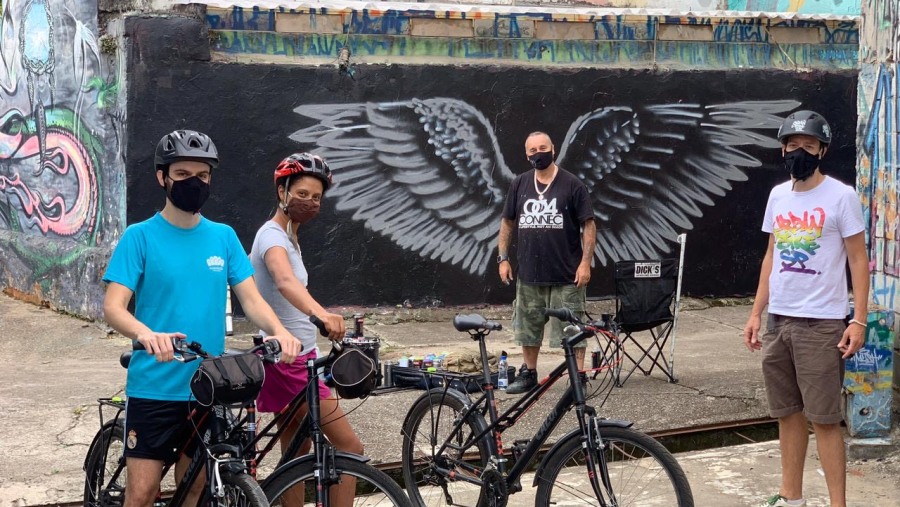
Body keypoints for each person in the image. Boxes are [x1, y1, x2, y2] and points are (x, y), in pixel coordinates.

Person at [102, 129, 303, 507]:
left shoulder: (223, 238)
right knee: (143, 493)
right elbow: (114, 306)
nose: (194, 182)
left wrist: (279, 331)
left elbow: (252, 300)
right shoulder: (139, 237)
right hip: (155, 387)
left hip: (208, 387)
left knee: (194, 488)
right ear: (162, 177)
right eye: (182, 174)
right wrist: (148, 335)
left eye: (203, 175)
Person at [742, 110, 869, 507]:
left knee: (825, 419)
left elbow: (858, 260)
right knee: (787, 414)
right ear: (783, 149)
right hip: (780, 320)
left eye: (808, 146)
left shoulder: (841, 196)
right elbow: (771, 256)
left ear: (822, 151)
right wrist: (755, 312)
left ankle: (837, 504)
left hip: (822, 324)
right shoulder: (778, 195)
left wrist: (858, 319)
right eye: (793, 145)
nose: (799, 152)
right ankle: (790, 497)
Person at [249, 152, 362, 505]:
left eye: (316, 197)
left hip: (295, 355)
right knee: (350, 448)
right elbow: (284, 281)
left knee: (296, 450)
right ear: (282, 191)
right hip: (291, 361)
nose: (310, 203)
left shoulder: (289, 236)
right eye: (302, 194)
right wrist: (322, 315)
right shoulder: (272, 237)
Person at [498, 131, 596, 394]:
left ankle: (578, 380)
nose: (537, 154)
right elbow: (507, 221)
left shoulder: (572, 184)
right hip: (529, 274)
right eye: (532, 150)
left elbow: (588, 224)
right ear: (526, 154)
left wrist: (585, 263)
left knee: (573, 330)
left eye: (542, 148)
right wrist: (503, 258)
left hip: (567, 275)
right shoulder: (519, 184)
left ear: (553, 150)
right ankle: (529, 373)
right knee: (527, 327)